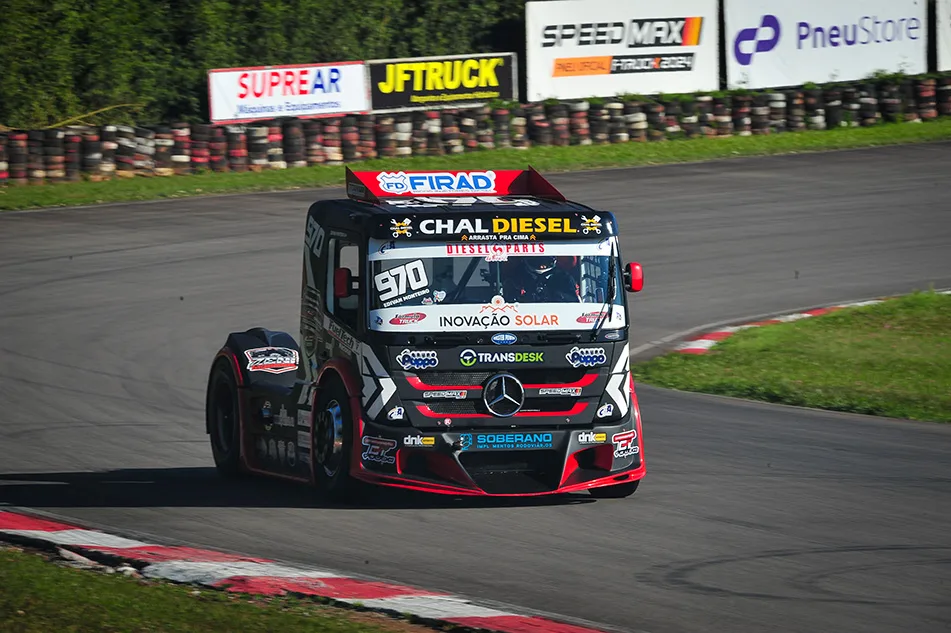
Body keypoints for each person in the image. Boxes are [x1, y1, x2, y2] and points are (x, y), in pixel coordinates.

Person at [506, 256, 580, 303]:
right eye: (537, 260)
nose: (542, 266)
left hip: (556, 316)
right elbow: (508, 300)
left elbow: (573, 301)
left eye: (545, 261)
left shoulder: (564, 277)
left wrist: (556, 295)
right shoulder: (517, 276)